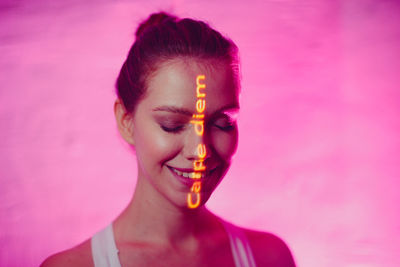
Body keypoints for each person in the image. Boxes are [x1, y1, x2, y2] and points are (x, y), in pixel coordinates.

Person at [41, 11, 296, 267]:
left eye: (222, 123)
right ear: (126, 121)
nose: (200, 150)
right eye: (172, 125)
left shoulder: (270, 258)